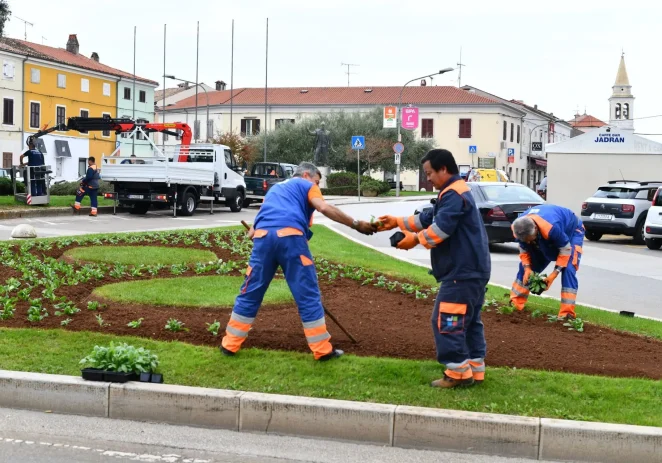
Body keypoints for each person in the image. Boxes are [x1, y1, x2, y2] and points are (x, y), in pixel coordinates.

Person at [220, 162, 375, 361]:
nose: (318, 186)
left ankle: (229, 345)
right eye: (317, 181)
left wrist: (255, 231)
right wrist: (355, 224)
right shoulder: (307, 186)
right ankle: (322, 349)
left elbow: (258, 221)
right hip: (291, 239)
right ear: (306, 175)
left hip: (263, 237)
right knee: (307, 295)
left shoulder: (276, 188)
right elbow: (323, 207)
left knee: (250, 292)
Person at [374, 149, 491, 389]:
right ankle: (475, 370)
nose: (427, 178)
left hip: (461, 272)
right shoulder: (452, 193)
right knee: (469, 322)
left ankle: (458, 374)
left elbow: (441, 230)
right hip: (472, 271)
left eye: (429, 173)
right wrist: (396, 222)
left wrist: (413, 240)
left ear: (443, 170)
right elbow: (428, 219)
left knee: (446, 320)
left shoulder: (454, 195)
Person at [510, 204, 584, 320]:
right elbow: (523, 247)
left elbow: (565, 249)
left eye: (531, 239)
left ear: (535, 229)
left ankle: (566, 314)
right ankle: (515, 304)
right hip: (546, 233)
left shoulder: (551, 227)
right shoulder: (518, 226)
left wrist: (552, 276)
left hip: (572, 231)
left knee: (569, 268)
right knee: (526, 268)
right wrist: (528, 268)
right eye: (527, 241)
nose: (529, 243)